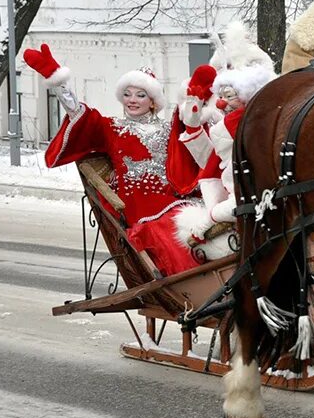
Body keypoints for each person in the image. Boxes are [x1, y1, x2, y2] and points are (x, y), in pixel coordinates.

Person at [24, 44, 199, 277]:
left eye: (140, 95)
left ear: (154, 101)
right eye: (126, 94)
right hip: (141, 209)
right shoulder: (113, 128)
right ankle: (189, 286)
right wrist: (58, 83)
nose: (132, 100)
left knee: (209, 224)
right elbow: (79, 114)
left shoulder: (169, 130)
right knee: (170, 233)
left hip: (175, 199)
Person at [169, 22, 278, 260]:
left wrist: (206, 223)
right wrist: (192, 125)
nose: (220, 103)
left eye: (228, 97)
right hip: (228, 202)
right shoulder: (222, 123)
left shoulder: (244, 125)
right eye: (220, 97)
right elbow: (210, 162)